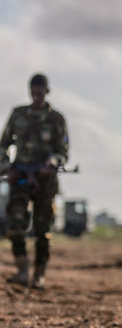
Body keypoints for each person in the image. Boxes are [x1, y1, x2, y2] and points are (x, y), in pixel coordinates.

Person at [0, 73, 69, 289]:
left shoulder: (56, 119)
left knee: (43, 230)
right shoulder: (18, 114)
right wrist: (7, 168)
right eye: (34, 92)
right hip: (19, 178)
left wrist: (52, 162)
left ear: (47, 91)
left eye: (40, 92)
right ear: (30, 91)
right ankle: (22, 270)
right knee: (15, 226)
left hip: (45, 182)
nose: (37, 96)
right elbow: (3, 146)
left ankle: (39, 274)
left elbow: (63, 152)